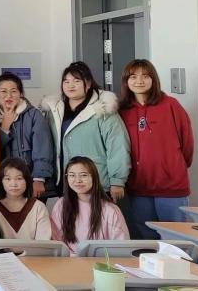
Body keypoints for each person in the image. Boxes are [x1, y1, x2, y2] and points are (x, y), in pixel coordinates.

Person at [118, 59, 194, 238]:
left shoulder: (171, 105)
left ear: (153, 79)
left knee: (176, 239)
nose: (139, 81)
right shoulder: (122, 111)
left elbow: (187, 143)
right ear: (126, 81)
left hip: (172, 188)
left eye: (145, 76)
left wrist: (174, 167)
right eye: (133, 76)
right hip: (139, 188)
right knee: (147, 239)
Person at [41, 61, 131, 201]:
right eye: (66, 81)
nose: (70, 85)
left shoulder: (103, 109)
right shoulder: (54, 110)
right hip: (67, 182)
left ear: (88, 84)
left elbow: (117, 146)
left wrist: (117, 180)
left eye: (76, 81)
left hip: (96, 181)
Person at [0, 73, 54, 199]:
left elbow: (43, 148)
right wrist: (4, 127)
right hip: (4, 183)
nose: (8, 96)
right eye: (3, 91)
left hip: (30, 180)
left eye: (13, 91)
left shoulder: (34, 115)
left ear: (21, 93)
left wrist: (39, 179)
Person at [50, 157, 130, 255]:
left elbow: (121, 246)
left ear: (94, 177)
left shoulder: (110, 210)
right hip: (68, 260)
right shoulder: (61, 205)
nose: (77, 180)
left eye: (83, 175)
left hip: (101, 261)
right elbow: (56, 241)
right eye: (72, 175)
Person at [0, 158, 51, 241]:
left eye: (19, 178)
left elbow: (43, 243)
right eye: (8, 179)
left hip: (35, 250)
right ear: (0, 181)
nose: (13, 184)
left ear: (27, 180)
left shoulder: (38, 207)